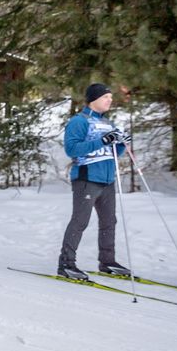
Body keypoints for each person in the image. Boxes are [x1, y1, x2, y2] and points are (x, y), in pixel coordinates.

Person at [57, 83, 132, 281]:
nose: (110, 100)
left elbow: (113, 152)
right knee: (80, 220)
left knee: (109, 221)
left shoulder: (108, 123)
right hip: (87, 177)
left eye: (110, 97)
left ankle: (107, 262)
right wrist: (103, 141)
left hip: (106, 179)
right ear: (94, 99)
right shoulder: (79, 121)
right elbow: (72, 150)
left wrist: (122, 143)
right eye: (106, 96)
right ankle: (66, 263)